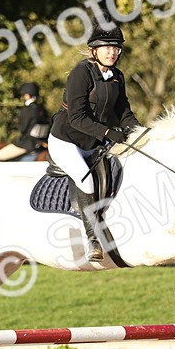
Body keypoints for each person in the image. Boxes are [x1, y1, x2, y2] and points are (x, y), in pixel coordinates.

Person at [47, 23, 142, 261]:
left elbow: (124, 113)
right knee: (86, 178)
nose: (112, 52)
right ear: (94, 50)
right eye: (106, 47)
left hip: (94, 142)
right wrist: (109, 133)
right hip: (66, 140)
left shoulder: (117, 77)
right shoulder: (81, 73)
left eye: (116, 48)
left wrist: (141, 132)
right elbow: (77, 117)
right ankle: (92, 240)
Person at [0, 81, 51, 162]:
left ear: (27, 95)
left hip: (27, 144)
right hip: (42, 144)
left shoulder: (27, 110)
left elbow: (23, 129)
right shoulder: (43, 109)